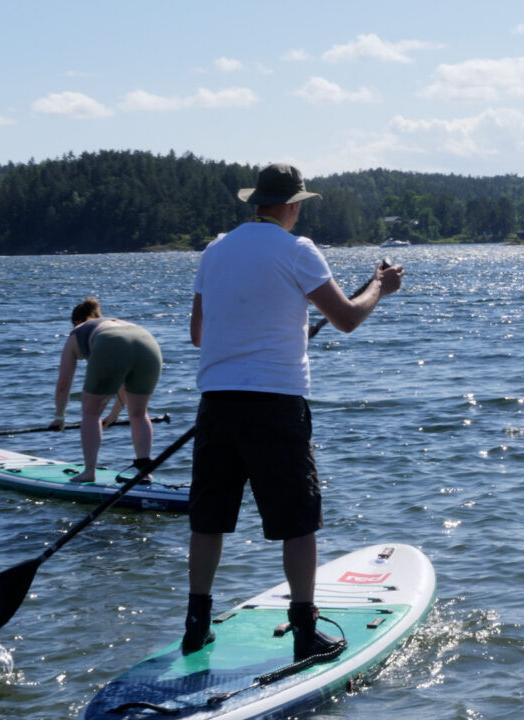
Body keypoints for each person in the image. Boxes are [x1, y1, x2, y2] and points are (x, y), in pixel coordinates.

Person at [183, 162, 403, 662]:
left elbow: (201, 335)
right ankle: (304, 629)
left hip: (217, 403)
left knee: (208, 520)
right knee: (298, 522)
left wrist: (278, 334)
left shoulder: (214, 252)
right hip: (276, 405)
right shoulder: (297, 249)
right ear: (292, 205)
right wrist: (379, 288)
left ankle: (196, 625)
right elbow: (346, 317)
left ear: (256, 202)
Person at [50, 298, 163, 483]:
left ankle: (89, 472)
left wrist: (60, 417)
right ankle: (145, 472)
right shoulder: (112, 322)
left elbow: (64, 384)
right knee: (139, 413)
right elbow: (121, 386)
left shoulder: (77, 332)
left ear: (77, 321)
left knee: (91, 413)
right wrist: (113, 415)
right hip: (147, 342)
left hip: (111, 343)